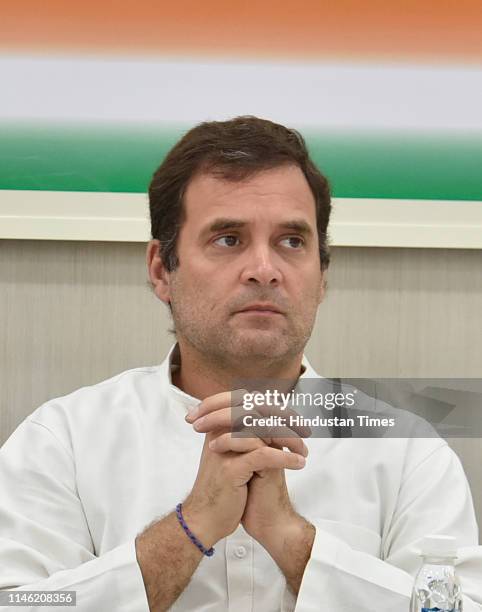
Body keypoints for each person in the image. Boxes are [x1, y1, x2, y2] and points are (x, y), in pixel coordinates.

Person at [0, 116, 481, 611]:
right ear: (162, 270)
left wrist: (295, 542)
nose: (264, 270)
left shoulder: (405, 451)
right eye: (228, 239)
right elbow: (21, 604)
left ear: (323, 277)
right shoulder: (65, 441)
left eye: (292, 242)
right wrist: (190, 527)